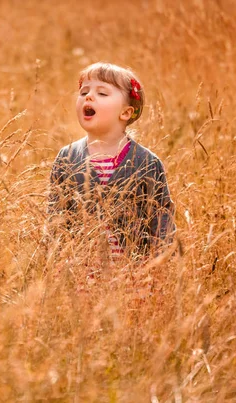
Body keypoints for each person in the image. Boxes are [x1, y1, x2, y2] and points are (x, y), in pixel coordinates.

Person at [48, 62, 175, 262]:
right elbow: (56, 218)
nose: (88, 96)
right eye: (83, 92)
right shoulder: (67, 157)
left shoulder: (146, 162)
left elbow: (161, 221)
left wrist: (159, 268)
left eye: (102, 94)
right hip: (80, 276)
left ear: (125, 112)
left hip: (133, 277)